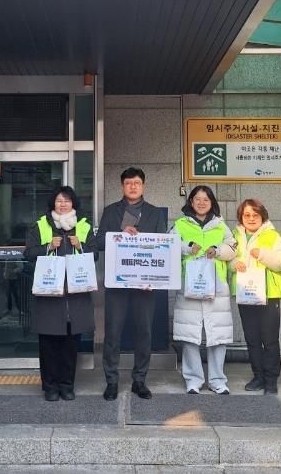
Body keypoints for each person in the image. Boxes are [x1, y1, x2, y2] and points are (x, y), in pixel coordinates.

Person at [95, 167, 167, 401]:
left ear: (143, 185)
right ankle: (111, 381)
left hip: (144, 284)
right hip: (117, 282)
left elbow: (161, 246)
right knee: (112, 332)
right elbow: (99, 242)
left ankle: (140, 380)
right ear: (122, 186)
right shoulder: (111, 211)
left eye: (136, 183)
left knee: (144, 332)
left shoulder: (155, 213)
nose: (133, 186)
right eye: (128, 183)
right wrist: (120, 233)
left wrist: (155, 277)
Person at [24, 186, 94, 401]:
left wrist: (80, 245)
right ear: (52, 204)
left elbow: (95, 254)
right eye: (59, 201)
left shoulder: (84, 226)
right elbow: (28, 253)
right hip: (49, 293)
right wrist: (47, 247)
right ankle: (50, 386)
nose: (63, 204)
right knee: (48, 343)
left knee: (71, 344)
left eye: (67, 200)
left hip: (75, 295)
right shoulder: (40, 225)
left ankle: (67, 385)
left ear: (74, 204)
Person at [171, 186, 236, 395]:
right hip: (189, 284)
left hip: (216, 285)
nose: (201, 203)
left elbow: (232, 248)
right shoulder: (180, 224)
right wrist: (187, 247)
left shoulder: (220, 225)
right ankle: (193, 380)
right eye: (197, 199)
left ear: (212, 202)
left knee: (217, 335)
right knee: (190, 335)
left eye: (205, 199)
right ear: (190, 202)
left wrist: (217, 251)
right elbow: (169, 245)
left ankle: (217, 380)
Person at [230, 199, 281, 394]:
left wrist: (261, 254)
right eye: (247, 215)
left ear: (262, 216)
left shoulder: (272, 235)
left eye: (255, 215)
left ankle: (271, 379)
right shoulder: (235, 236)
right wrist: (234, 264)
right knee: (252, 339)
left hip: (268, 294)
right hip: (245, 293)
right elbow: (228, 260)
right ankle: (258, 376)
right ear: (241, 217)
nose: (251, 218)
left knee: (269, 339)